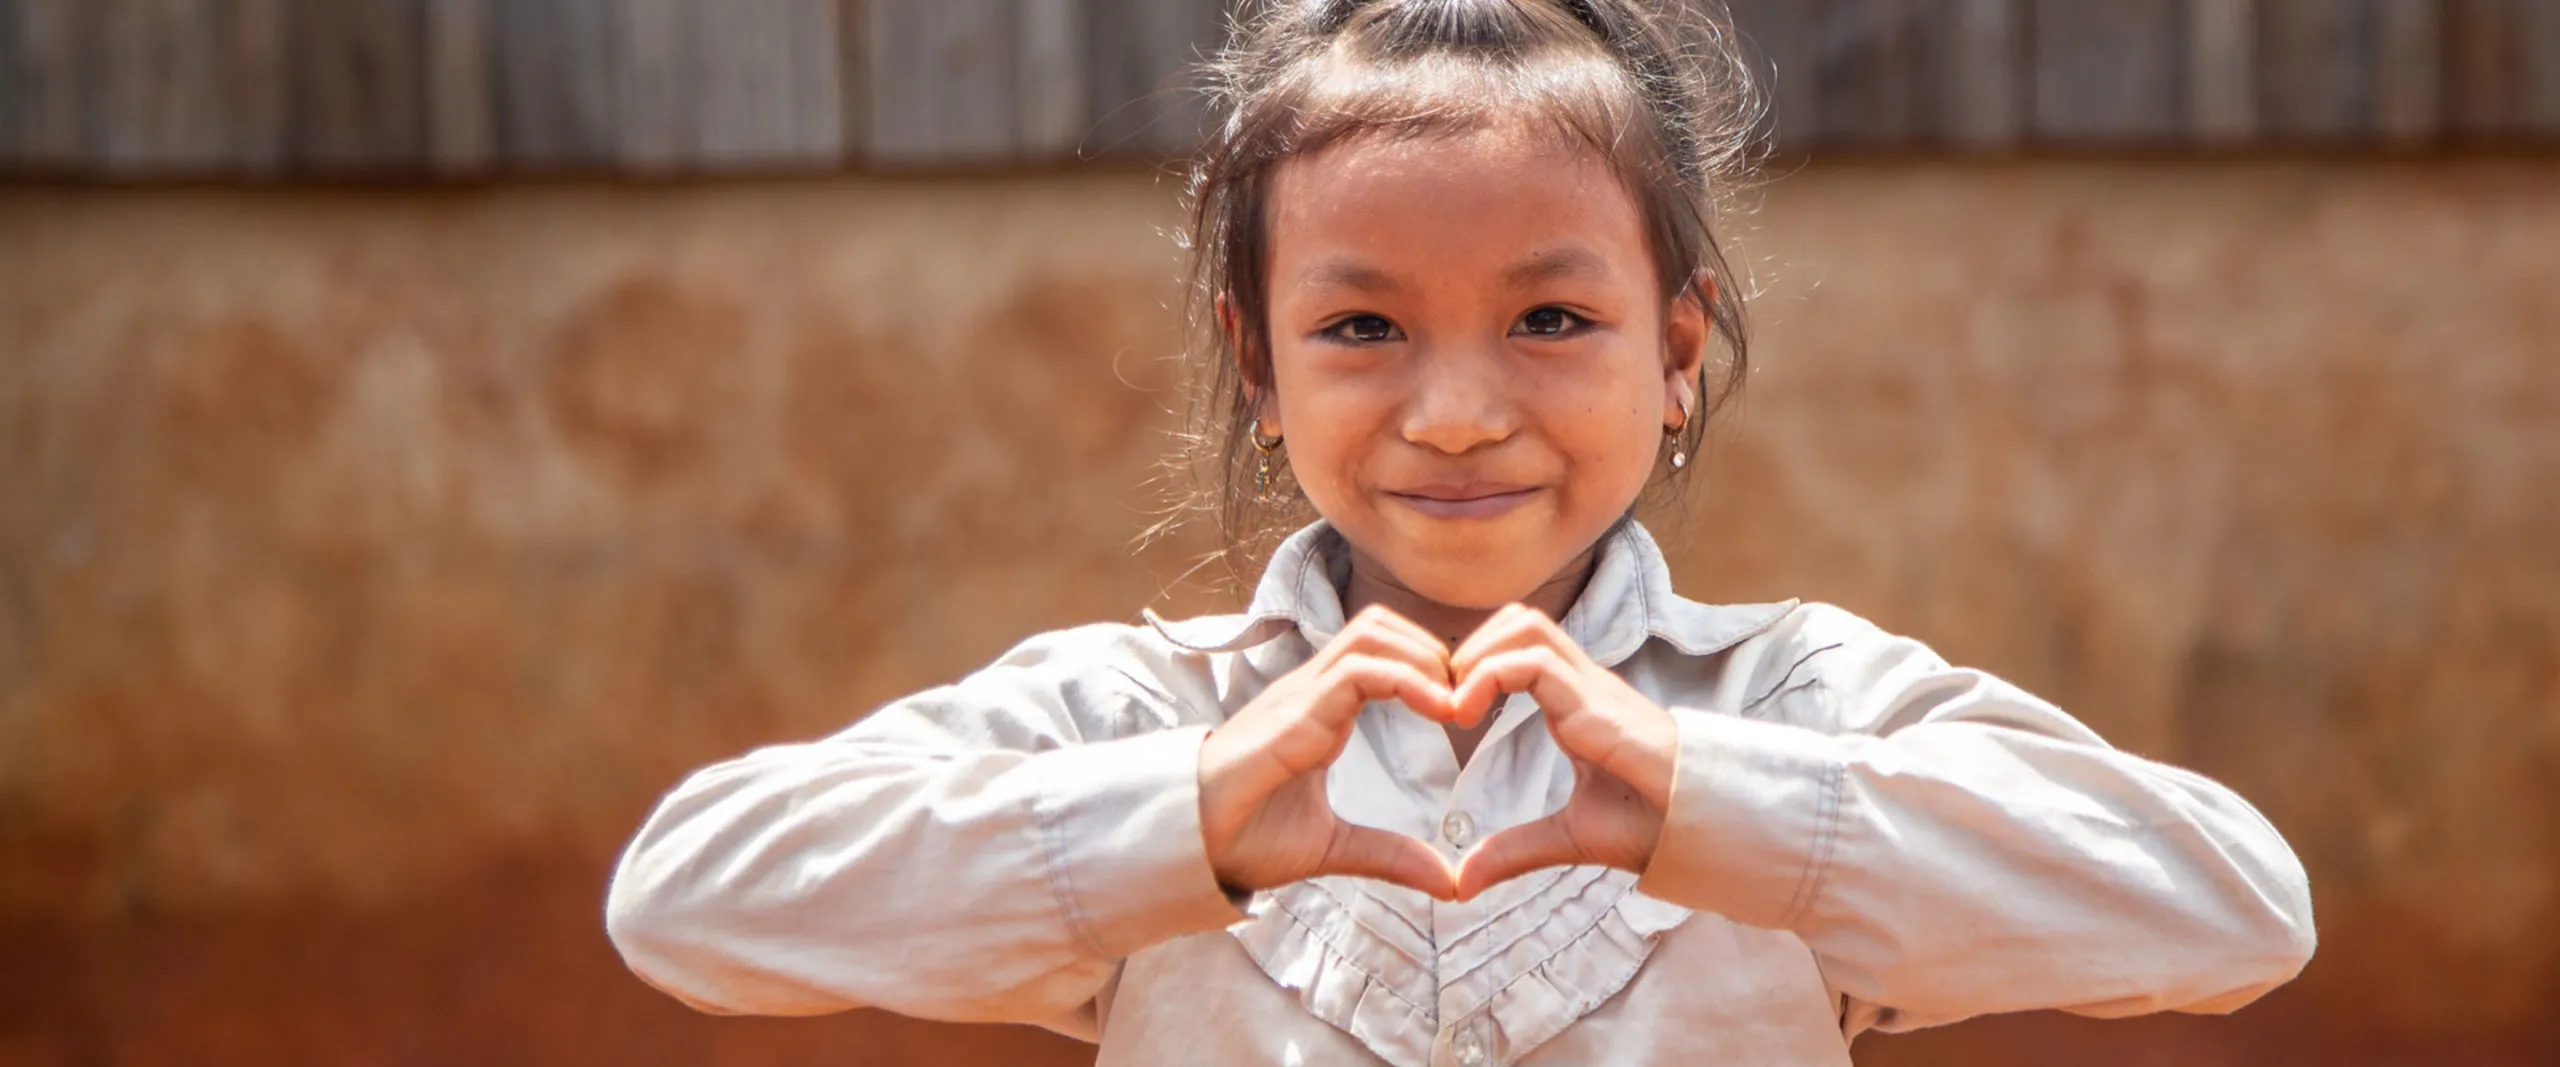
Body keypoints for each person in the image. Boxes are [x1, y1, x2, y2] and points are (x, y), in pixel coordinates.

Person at [604, 2, 2317, 1064]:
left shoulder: (1787, 706)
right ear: (1254, 362)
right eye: (1361, 328)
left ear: (1680, 347)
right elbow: (686, 903)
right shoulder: (1149, 722)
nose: (1455, 412)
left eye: (1551, 319)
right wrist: (1179, 821)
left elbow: (2235, 912)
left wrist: (1724, 805)